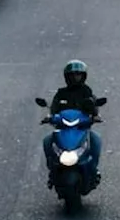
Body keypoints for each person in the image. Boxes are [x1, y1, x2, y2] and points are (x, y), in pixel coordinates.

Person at [42, 60, 102, 188]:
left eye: (78, 74)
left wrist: (95, 115)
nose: (75, 77)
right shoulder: (61, 93)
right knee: (47, 141)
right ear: (67, 77)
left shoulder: (87, 92)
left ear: (83, 76)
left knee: (96, 140)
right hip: (64, 129)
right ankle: (52, 171)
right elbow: (54, 109)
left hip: (81, 129)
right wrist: (49, 117)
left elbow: (94, 107)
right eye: (72, 75)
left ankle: (94, 169)